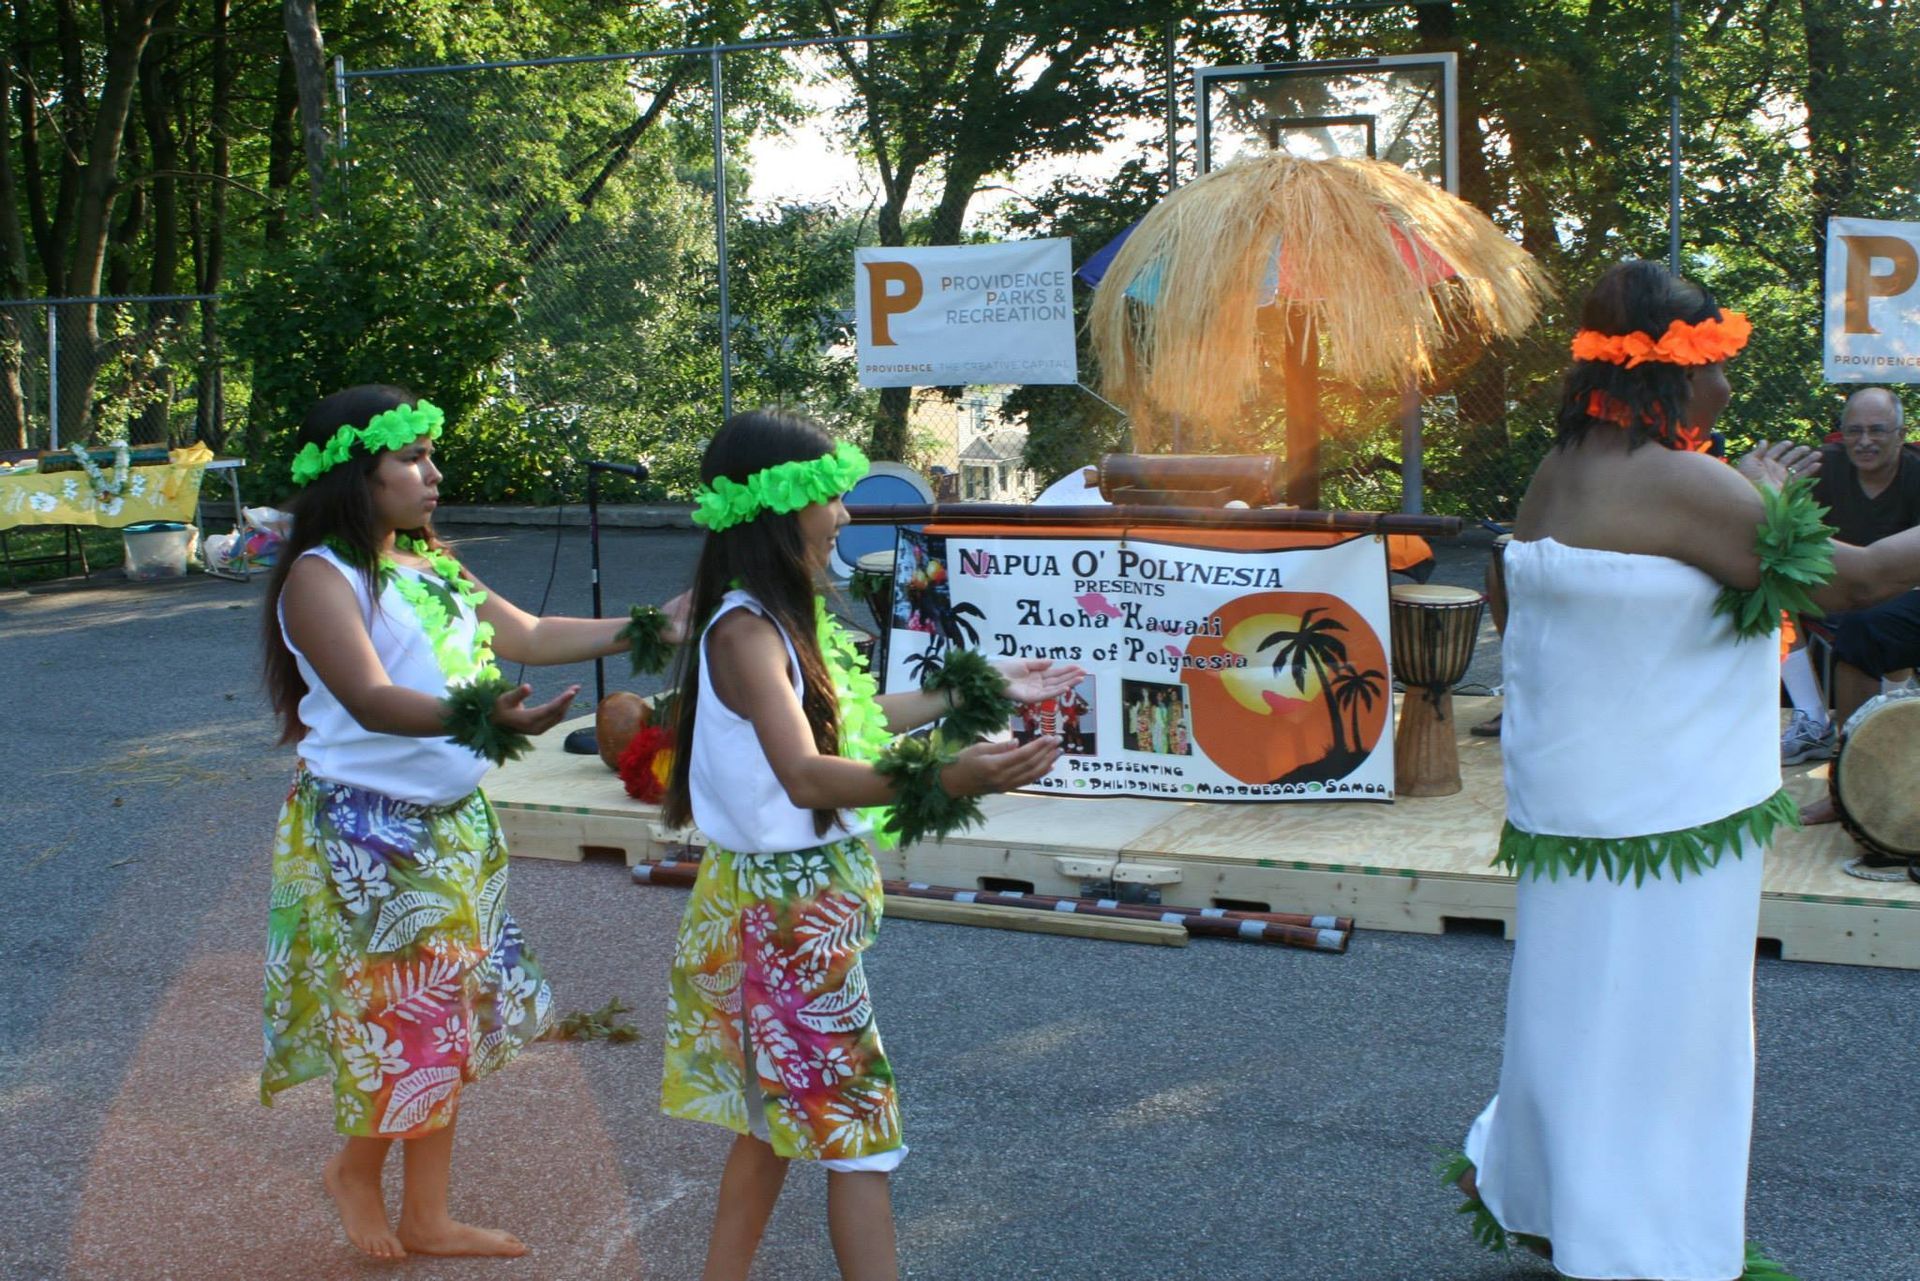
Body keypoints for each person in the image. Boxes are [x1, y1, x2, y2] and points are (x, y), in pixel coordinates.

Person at [1445, 262, 1920, 1281]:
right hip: (1667, 815)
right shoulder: (1674, 480)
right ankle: (1641, 1243)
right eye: (1722, 363)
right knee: (1670, 1031)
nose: (1732, 387)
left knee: (1574, 1007)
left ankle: (1537, 1185)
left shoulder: (1560, 469)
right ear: (1675, 369)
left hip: (1579, 807)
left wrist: (1747, 490)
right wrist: (1769, 496)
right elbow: (1865, 577)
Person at [656, 409, 1083, 1281]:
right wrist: (948, 780)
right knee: (861, 1137)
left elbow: (845, 719)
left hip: (791, 910)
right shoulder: (743, 633)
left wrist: (975, 683)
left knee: (775, 1125)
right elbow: (809, 775)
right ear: (782, 507)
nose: (845, 514)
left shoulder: (781, 618)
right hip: (781, 919)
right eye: (832, 496)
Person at [259, 385, 685, 1260]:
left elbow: (528, 632)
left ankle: (427, 1214)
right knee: (402, 1022)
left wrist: (653, 625)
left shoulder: (431, 565)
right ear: (356, 471)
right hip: (371, 836)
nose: (433, 473)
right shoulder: (321, 577)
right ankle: (355, 1170)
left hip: (453, 824)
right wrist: (486, 720)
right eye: (413, 458)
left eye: (429, 454)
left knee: (446, 1020)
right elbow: (372, 699)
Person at [1778, 387, 1920, 778]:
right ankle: (1811, 719)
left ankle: (1890, 725)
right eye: (1854, 431)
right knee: (1770, 588)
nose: (1864, 441)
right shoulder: (1819, 468)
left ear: (1901, 434)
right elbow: (1779, 535)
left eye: (1877, 430)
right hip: (1835, 588)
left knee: (1883, 622)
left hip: (1897, 594)